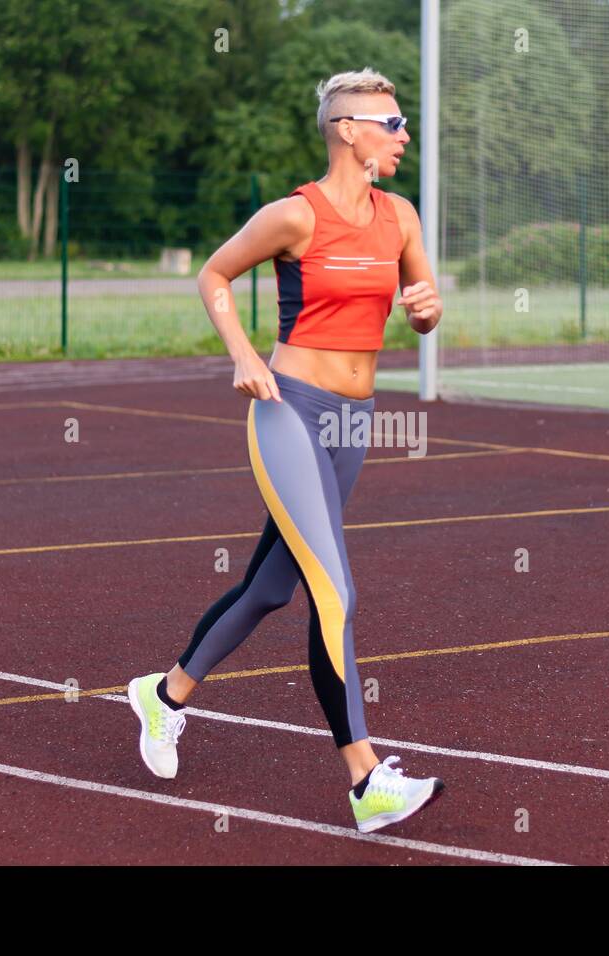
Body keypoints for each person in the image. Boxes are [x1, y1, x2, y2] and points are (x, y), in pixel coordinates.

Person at [127, 68, 445, 834]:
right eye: (391, 123)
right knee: (335, 593)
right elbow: (214, 274)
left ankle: (163, 695)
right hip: (287, 411)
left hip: (353, 423)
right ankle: (366, 781)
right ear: (348, 131)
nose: (404, 135)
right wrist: (243, 353)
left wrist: (430, 311)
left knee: (272, 587)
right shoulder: (292, 216)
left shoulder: (401, 217)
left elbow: (424, 312)